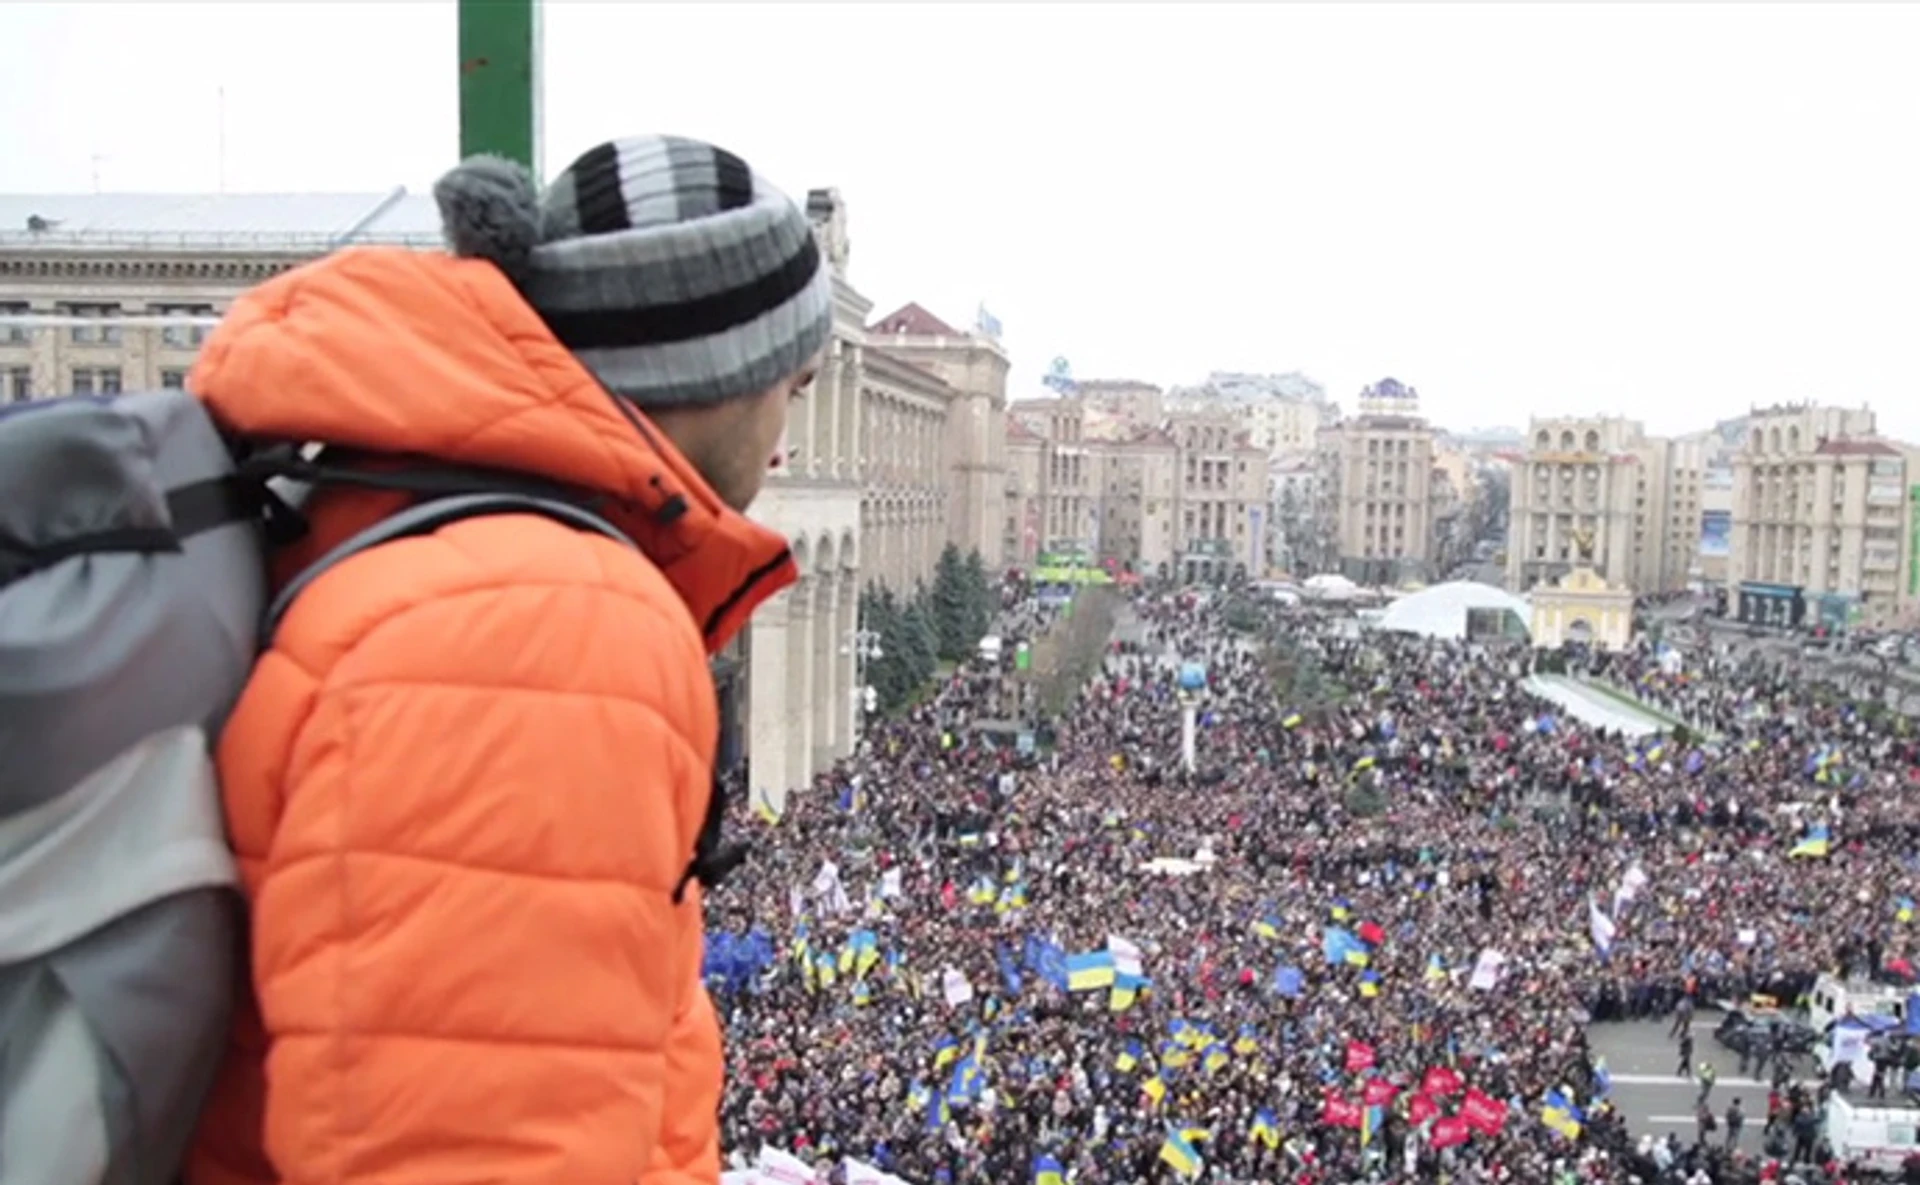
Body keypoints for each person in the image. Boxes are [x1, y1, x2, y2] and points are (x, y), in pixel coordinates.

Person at [185, 135, 831, 1184]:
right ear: (715, 372)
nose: (783, 440)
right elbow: (474, 1146)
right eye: (791, 386)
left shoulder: (434, 524)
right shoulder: (550, 625)